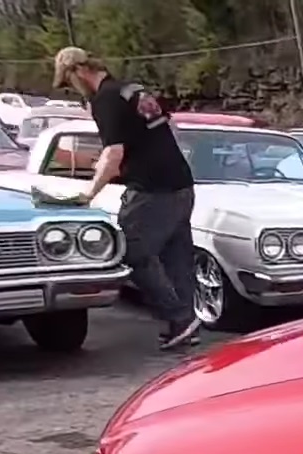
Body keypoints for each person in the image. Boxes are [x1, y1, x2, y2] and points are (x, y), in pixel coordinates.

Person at [53, 47, 202, 349]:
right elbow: (166, 129)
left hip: (150, 188)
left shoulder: (105, 98)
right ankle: (184, 324)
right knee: (176, 257)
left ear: (78, 71)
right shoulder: (133, 89)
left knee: (132, 252)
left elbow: (114, 153)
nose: (72, 90)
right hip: (181, 183)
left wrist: (89, 193)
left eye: (68, 83)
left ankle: (179, 317)